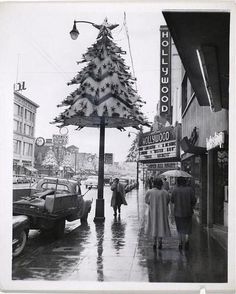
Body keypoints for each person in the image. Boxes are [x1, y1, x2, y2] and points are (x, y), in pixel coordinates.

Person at [171, 177, 196, 250]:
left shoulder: (175, 190)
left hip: (178, 213)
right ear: (185, 182)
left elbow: (172, 200)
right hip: (188, 212)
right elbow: (193, 201)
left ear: (178, 182)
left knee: (179, 228)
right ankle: (187, 241)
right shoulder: (190, 190)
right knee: (187, 227)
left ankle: (180, 243)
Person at [145, 177, 171, 250]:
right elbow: (168, 201)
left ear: (154, 184)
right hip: (162, 212)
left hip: (153, 211)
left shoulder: (149, 192)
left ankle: (154, 242)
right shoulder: (165, 192)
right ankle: (160, 242)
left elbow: (147, 201)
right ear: (161, 184)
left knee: (154, 225)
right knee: (161, 225)